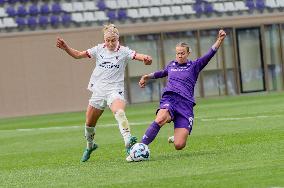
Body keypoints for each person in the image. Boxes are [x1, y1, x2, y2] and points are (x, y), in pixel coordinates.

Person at [56, 24, 152, 162]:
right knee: (89, 124)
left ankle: (128, 141)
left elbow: (138, 55)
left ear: (117, 39)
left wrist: (146, 58)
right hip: (99, 91)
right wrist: (66, 48)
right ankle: (90, 146)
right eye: (107, 40)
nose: (110, 43)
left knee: (119, 112)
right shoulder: (99, 49)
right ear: (104, 40)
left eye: (113, 40)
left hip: (115, 90)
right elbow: (77, 55)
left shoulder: (124, 51)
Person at [126, 29, 226, 162]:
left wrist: (219, 40)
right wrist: (146, 76)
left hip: (185, 105)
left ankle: (176, 136)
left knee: (179, 145)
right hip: (170, 99)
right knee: (160, 118)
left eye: (182, 53)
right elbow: (161, 73)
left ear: (188, 53)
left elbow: (210, 54)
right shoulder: (172, 65)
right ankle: (138, 149)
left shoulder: (194, 65)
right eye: (178, 53)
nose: (179, 56)